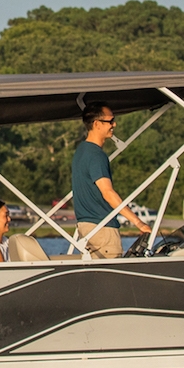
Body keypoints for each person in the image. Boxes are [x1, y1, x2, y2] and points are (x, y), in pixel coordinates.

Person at [71, 102, 148, 258]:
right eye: (110, 121)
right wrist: (138, 222)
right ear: (97, 124)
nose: (114, 124)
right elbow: (107, 192)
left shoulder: (81, 151)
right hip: (102, 230)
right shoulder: (96, 155)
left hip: (86, 228)